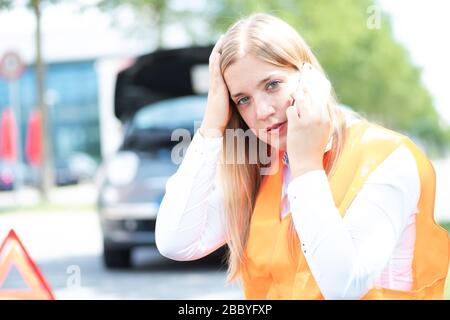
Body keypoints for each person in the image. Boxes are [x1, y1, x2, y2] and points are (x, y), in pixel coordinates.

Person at [155, 13, 449, 300]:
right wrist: (210, 126)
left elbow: (344, 287)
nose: (261, 111)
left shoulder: (386, 158)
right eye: (242, 100)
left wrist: (306, 166)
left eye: (272, 85)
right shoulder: (259, 167)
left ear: (309, 77)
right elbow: (175, 243)